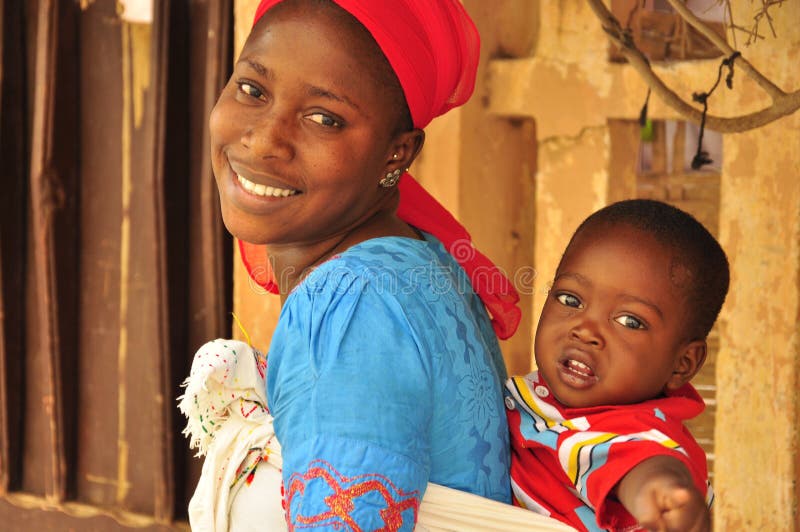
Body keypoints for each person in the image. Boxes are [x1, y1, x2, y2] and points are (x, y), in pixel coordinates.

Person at [193, 0, 525, 529]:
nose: (264, 140)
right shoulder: (413, 263)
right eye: (252, 90)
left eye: (324, 118)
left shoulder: (350, 306)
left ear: (398, 154)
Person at [505, 199, 728, 532]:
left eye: (629, 321)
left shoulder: (636, 431)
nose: (585, 330)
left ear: (682, 365)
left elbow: (643, 463)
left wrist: (659, 492)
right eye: (570, 299)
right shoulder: (534, 397)